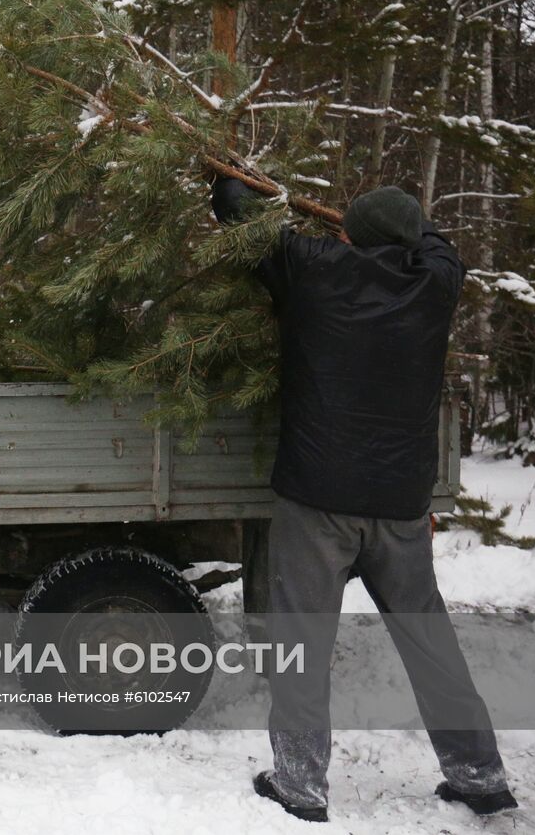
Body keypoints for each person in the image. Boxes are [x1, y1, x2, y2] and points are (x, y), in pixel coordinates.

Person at [210, 178, 517, 824]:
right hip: (400, 506)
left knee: (303, 641)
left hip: (317, 501)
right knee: (429, 641)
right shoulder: (435, 284)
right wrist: (403, 230)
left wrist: (231, 177)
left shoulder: (314, 269)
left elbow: (242, 225)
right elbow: (440, 246)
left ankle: (300, 782)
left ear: (351, 235)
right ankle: (478, 773)